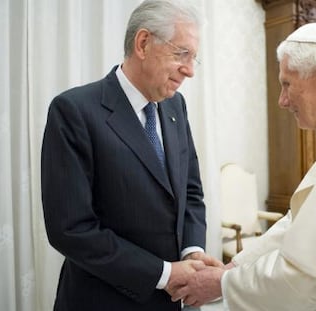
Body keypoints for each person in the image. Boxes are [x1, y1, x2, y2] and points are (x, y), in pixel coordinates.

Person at [168, 22, 316, 310]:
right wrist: (236, 267)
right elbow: (300, 222)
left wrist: (222, 284)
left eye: (287, 84)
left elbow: (312, 273)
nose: (282, 101)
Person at [41, 1, 222, 310]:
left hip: (169, 301)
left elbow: (190, 191)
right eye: (182, 54)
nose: (190, 70)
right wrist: (164, 273)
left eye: (194, 58)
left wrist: (191, 251)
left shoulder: (175, 107)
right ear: (143, 43)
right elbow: (71, 230)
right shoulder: (74, 111)